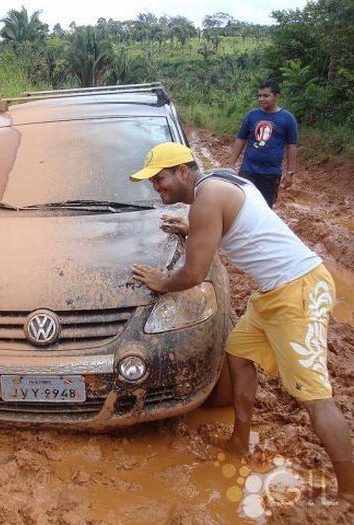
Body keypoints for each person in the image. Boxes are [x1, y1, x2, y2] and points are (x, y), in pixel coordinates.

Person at [129, 142, 353, 504]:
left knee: (315, 398)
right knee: (237, 353)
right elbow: (232, 221)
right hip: (273, 293)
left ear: (183, 172)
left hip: (298, 292)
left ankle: (349, 493)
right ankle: (239, 440)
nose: (156, 187)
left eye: (160, 179)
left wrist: (161, 281)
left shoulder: (206, 200)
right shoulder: (219, 183)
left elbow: (193, 274)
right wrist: (194, 227)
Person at [229, 80, 298, 207]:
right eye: (259, 95)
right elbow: (241, 139)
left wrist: (290, 173)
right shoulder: (251, 115)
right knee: (243, 206)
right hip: (248, 170)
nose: (261, 99)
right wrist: (232, 164)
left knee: (264, 208)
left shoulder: (287, 119)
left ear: (277, 97)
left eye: (266, 96)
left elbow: (291, 146)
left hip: (271, 173)